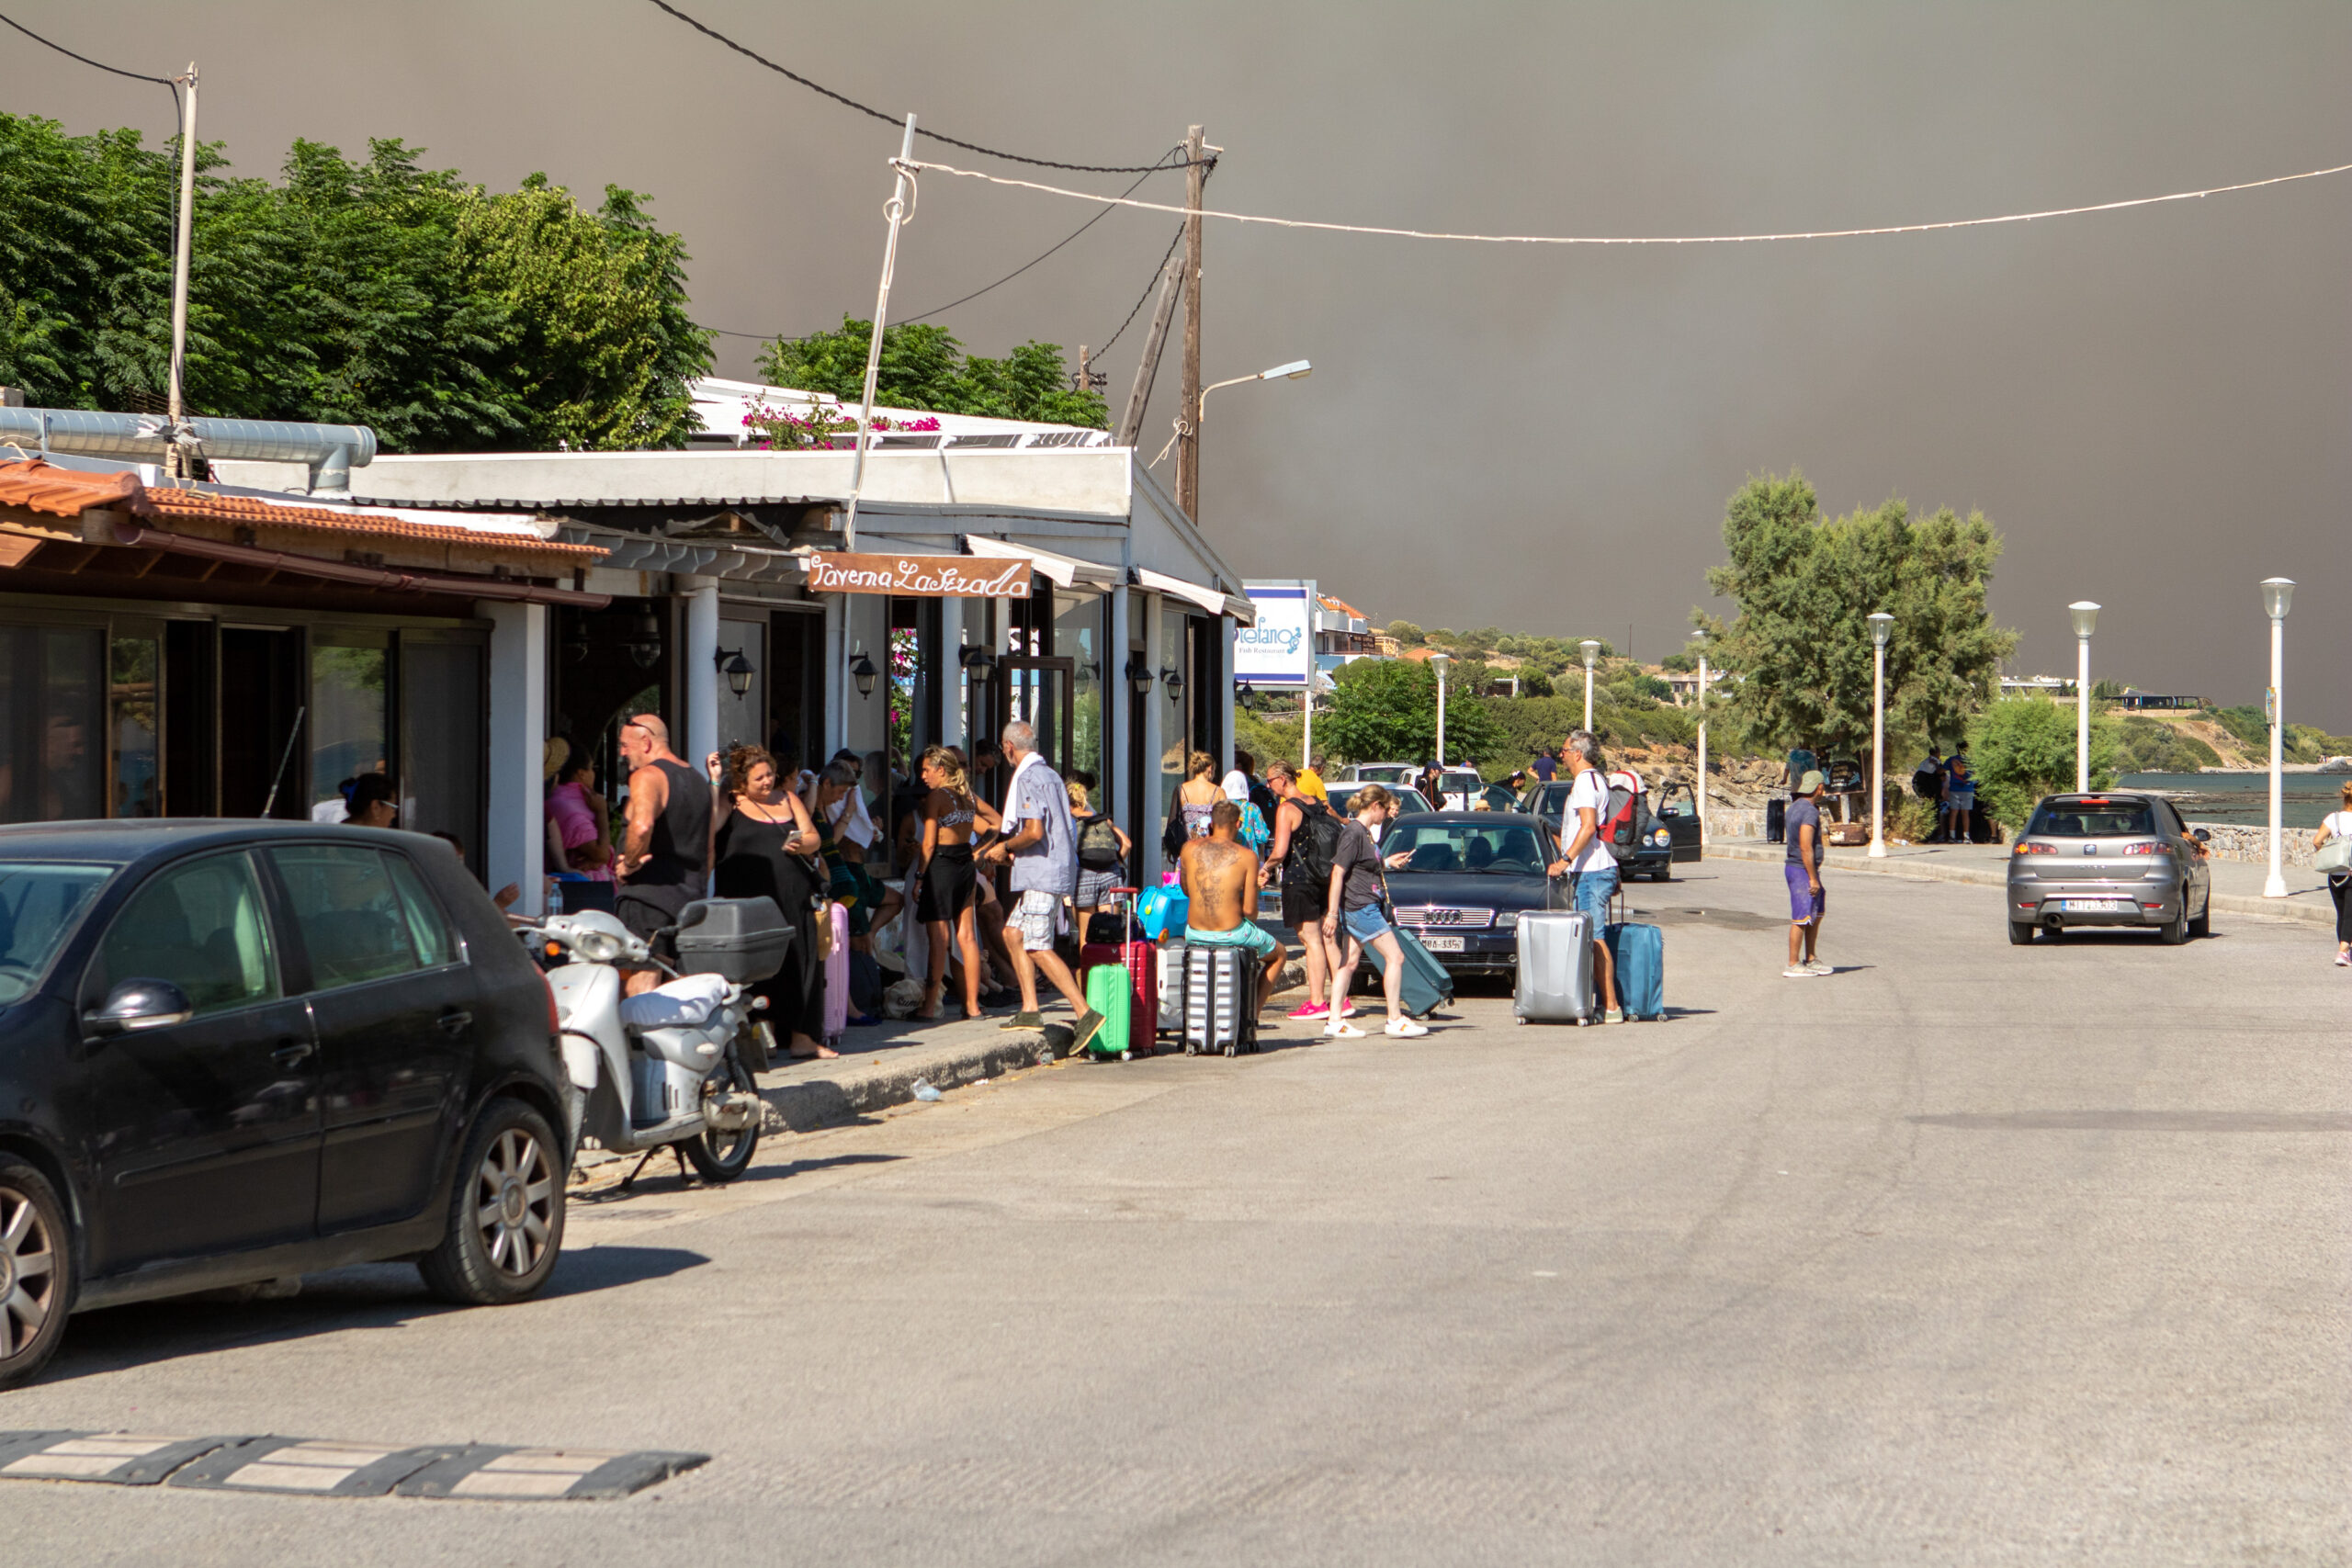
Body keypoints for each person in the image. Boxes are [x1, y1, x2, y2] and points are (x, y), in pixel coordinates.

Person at [979, 719, 1102, 1047]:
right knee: (1012, 934)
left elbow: (1034, 831)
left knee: (1036, 945)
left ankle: (1085, 1013)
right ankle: (1031, 1008)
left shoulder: (1029, 777)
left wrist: (1005, 847)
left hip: (1041, 875)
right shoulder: (1050, 775)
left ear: (1008, 748)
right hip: (1049, 868)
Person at [707, 744, 833, 1057]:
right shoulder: (732, 802)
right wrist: (713, 784)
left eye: (771, 774)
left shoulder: (788, 798)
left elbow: (814, 837)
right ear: (742, 782)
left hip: (794, 894)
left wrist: (802, 843)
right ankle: (765, 1036)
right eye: (760, 778)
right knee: (759, 966)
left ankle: (803, 1038)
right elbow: (708, 827)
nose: (768, 781)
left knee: (801, 962)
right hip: (748, 900)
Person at [615, 714, 710, 998]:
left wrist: (629, 862)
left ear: (645, 742)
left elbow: (642, 825)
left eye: (624, 745)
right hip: (688, 899)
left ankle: (640, 1042)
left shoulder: (648, 776)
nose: (621, 752)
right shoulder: (697, 779)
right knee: (674, 990)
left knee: (640, 984)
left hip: (647, 898)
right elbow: (710, 847)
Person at [1321, 785, 1427, 1038]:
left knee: (1349, 963)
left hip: (1360, 904)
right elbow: (1338, 872)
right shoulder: (1354, 832)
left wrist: (1387, 862)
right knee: (1396, 957)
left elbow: (1362, 865)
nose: (1387, 815)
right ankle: (1394, 1018)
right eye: (1385, 809)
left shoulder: (1364, 833)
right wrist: (1333, 914)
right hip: (1361, 906)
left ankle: (1334, 1020)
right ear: (1375, 806)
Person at [1541, 731, 1623, 1023]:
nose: (1560, 755)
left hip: (1591, 872)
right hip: (1595, 870)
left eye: (1563, 750)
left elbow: (1588, 828)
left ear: (1577, 753)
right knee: (1591, 938)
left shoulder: (1586, 783)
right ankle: (1601, 1003)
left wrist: (1564, 860)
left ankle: (1611, 1007)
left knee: (1595, 938)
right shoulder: (1596, 780)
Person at [1179, 799, 1282, 1018]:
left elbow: (1187, 890)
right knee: (1280, 954)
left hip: (1194, 932)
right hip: (1232, 933)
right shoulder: (1247, 856)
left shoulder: (1188, 849)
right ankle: (1251, 1017)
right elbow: (1250, 912)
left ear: (1212, 823)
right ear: (1237, 824)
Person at [1262, 761, 1342, 1022]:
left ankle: (1318, 1002)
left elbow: (1280, 851)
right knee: (1328, 939)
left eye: (1270, 780)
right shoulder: (1316, 803)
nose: (1268, 786)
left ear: (1282, 781)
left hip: (1299, 880)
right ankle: (1341, 999)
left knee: (1311, 941)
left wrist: (1266, 868)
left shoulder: (1286, 809)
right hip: (1322, 877)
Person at [914, 745, 989, 1021]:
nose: (923, 775)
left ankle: (929, 1006)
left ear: (940, 770)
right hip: (965, 865)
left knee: (939, 938)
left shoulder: (937, 797)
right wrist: (979, 852)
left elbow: (928, 842)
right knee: (967, 937)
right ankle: (972, 1006)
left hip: (942, 866)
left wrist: (920, 877)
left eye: (926, 769)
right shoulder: (966, 796)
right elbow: (995, 825)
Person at [1068, 776, 1132, 934]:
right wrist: (1113, 861)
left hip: (1084, 875)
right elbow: (1127, 844)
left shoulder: (1070, 822)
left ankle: (1086, 959)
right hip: (1111, 875)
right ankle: (1109, 959)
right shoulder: (1103, 820)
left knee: (1086, 934)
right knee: (1109, 931)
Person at [1782, 768, 1830, 977]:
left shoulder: (1794, 807)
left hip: (1801, 869)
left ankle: (1810, 958)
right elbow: (1805, 846)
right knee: (1801, 918)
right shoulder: (1810, 811)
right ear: (1819, 788)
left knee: (1816, 913)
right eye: (1823, 786)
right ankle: (1793, 964)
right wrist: (1812, 877)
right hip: (1801, 870)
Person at [545, 751, 615, 879]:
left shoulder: (557, 798)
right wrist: (602, 812)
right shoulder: (569, 806)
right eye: (592, 768)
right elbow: (601, 855)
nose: (594, 774)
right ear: (581, 773)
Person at [2312, 781, 2352, 966]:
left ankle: (2345, 951)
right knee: (2350, 915)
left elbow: (2317, 840)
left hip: (2335, 874)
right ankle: (2343, 951)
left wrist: (2327, 853)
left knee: (2343, 915)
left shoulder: (2333, 818)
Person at [1176, 751, 1224, 839]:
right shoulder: (1219, 792)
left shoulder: (1181, 789)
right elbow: (1224, 824)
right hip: (1208, 846)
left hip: (1186, 846)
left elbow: (1172, 819)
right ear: (1210, 768)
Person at [1945, 754, 1976, 843]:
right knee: (1965, 813)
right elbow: (1976, 773)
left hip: (1954, 789)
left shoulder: (1952, 759)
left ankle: (1952, 836)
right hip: (1968, 789)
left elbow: (1941, 770)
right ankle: (1966, 837)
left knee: (1953, 812)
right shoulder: (1971, 759)